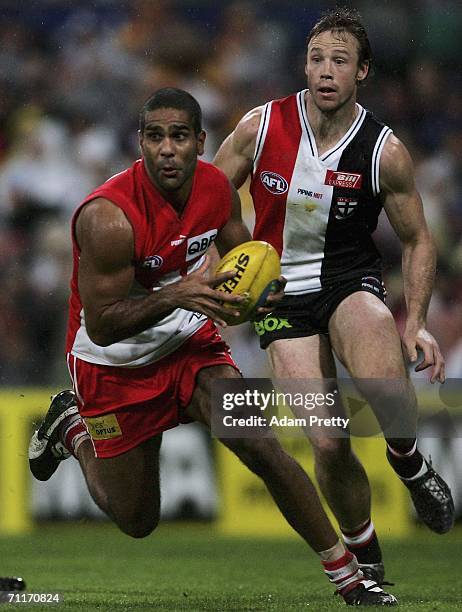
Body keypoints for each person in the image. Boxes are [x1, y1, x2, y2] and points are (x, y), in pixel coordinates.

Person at [28, 88, 396, 606]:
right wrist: (181, 292)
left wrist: (263, 294)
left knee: (260, 444)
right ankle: (72, 428)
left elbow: (245, 256)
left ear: (201, 142)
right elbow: (104, 325)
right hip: (112, 363)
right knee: (137, 520)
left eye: (179, 136)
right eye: (154, 137)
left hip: (189, 342)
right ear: (140, 144)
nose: (167, 149)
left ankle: (351, 580)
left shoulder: (218, 190)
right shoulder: (108, 218)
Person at [213, 7, 455, 585]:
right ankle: (365, 552)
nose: (325, 71)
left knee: (390, 400)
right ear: (305, 64)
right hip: (281, 299)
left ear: (362, 72)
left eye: (339, 61)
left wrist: (416, 322)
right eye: (317, 58)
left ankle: (408, 461)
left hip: (349, 283)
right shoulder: (261, 126)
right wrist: (239, 262)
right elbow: (210, 198)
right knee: (327, 442)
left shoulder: (382, 150)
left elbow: (419, 239)